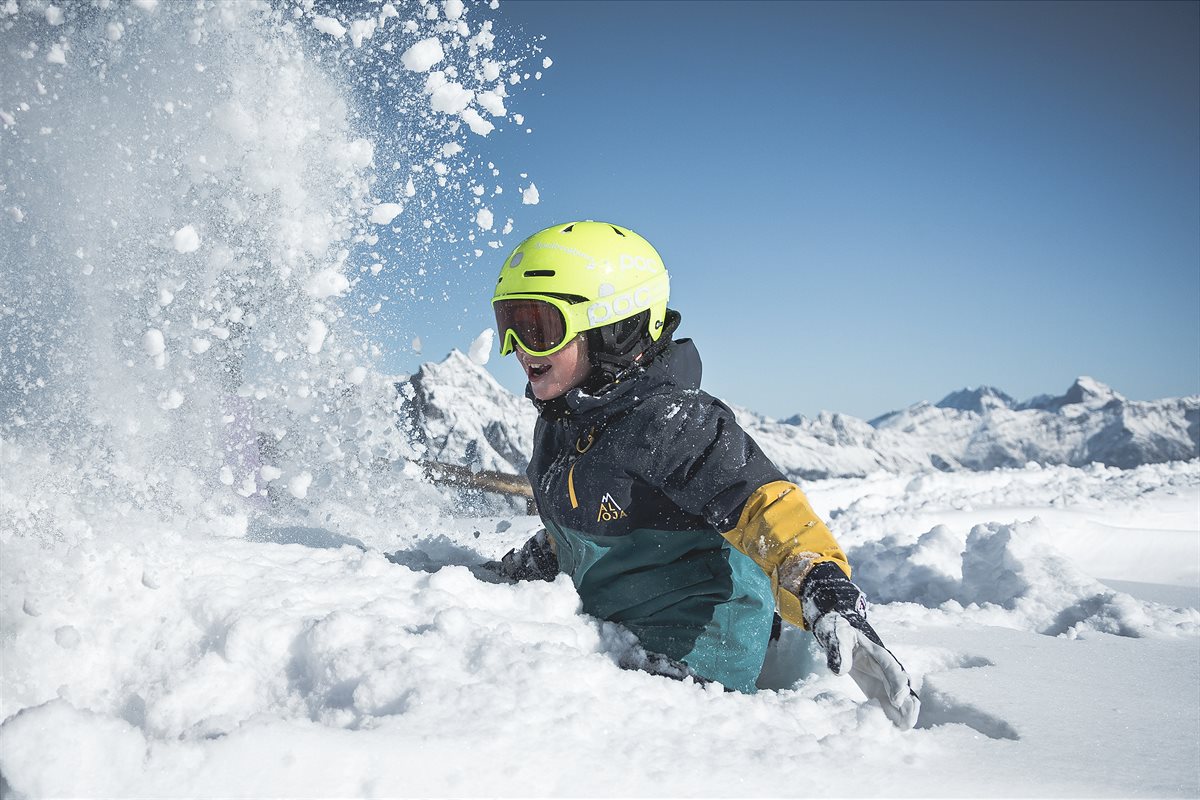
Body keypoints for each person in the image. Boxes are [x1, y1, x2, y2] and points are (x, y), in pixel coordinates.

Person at [486, 221, 920, 728]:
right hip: (613, 629)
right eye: (509, 325)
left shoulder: (673, 423)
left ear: (614, 328)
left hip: (693, 651)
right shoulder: (564, 422)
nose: (518, 346)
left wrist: (824, 589)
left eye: (539, 328)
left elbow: (764, 504)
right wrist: (517, 569)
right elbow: (582, 525)